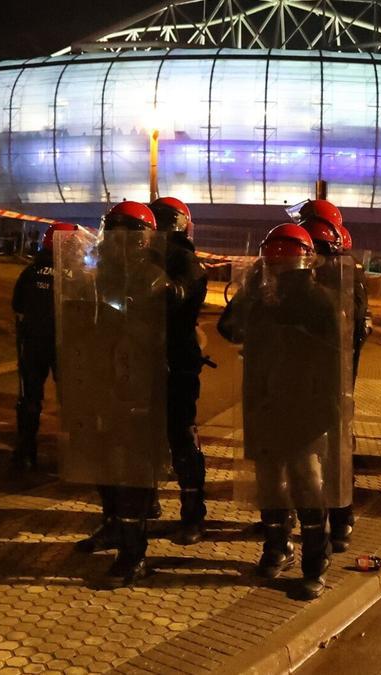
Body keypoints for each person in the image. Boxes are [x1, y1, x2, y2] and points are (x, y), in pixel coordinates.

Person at [219, 223, 346, 599]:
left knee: (306, 482)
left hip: (303, 404)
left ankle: (315, 562)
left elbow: (332, 362)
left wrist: (328, 410)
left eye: (282, 263)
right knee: (270, 481)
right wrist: (249, 292)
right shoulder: (261, 296)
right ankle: (277, 546)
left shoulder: (318, 300)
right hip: (265, 400)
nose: (277, 269)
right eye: (272, 263)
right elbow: (229, 328)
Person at [67, 201, 170, 583]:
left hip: (137, 385)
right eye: (111, 233)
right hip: (103, 380)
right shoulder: (100, 276)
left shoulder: (153, 279)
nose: (113, 242)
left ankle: (133, 554)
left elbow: (152, 335)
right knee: (104, 461)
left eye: (121, 235)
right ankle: (112, 526)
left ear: (140, 239)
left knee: (131, 471)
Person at [291, 198, 367, 553]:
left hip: (333, 381)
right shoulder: (316, 271)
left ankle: (340, 520)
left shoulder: (343, 274)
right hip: (304, 379)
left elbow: (346, 330)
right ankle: (297, 516)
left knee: (336, 450)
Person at [151, 196, 210, 545]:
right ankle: (147, 504)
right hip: (146, 356)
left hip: (175, 360)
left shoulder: (184, 260)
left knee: (181, 435)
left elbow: (175, 297)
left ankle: (192, 513)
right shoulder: (148, 256)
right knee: (147, 434)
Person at [10, 222, 77, 471]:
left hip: (33, 343)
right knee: (72, 399)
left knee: (29, 398)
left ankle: (26, 452)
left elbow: (17, 305)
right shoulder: (76, 275)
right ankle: (76, 453)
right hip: (65, 345)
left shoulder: (30, 272)